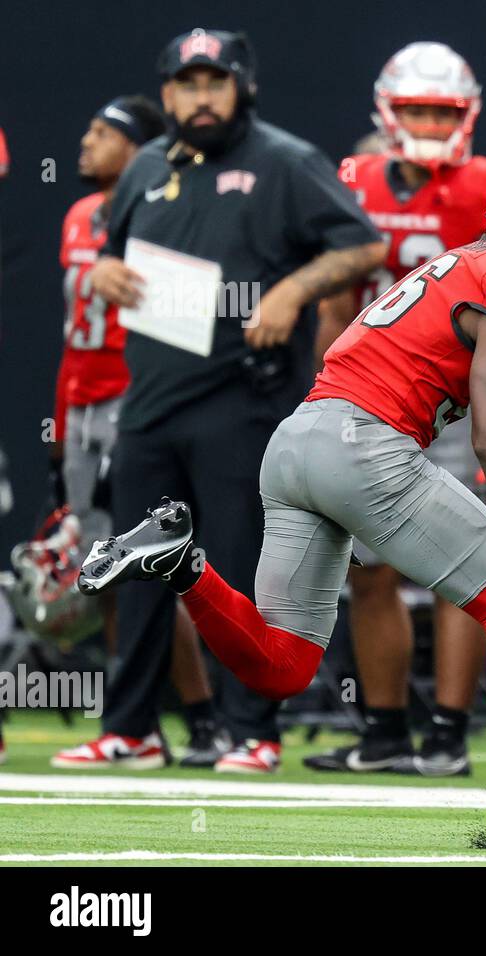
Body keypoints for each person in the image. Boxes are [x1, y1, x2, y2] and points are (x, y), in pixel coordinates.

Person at [79, 151, 486, 852]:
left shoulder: (470, 258)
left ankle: (182, 569)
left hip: (297, 442)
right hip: (364, 443)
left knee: (283, 664)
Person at [63, 28, 385, 774]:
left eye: (215, 83)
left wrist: (294, 288)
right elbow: (115, 254)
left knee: (240, 569)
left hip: (243, 395)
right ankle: (133, 728)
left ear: (242, 87)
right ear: (168, 94)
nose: (201, 98)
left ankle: (253, 730)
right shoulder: (146, 164)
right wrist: (107, 273)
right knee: (131, 567)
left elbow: (362, 244)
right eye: (186, 84)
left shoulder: (284, 160)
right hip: (150, 399)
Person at [305, 41, 486, 777]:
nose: (428, 123)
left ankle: (450, 735)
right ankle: (386, 730)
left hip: (456, 402)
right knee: (367, 570)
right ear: (388, 112)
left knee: (464, 564)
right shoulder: (356, 180)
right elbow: (335, 305)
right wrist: (318, 394)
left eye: (442, 111)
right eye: (417, 109)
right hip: (370, 401)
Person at [42, 97, 231, 771]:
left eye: (103, 133)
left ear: (143, 150)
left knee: (144, 567)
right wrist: (62, 431)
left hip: (138, 402)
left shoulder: (166, 209)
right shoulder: (74, 217)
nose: (85, 141)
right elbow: (73, 340)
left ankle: (202, 717)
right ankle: (140, 724)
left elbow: (193, 319)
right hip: (86, 410)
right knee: (110, 576)